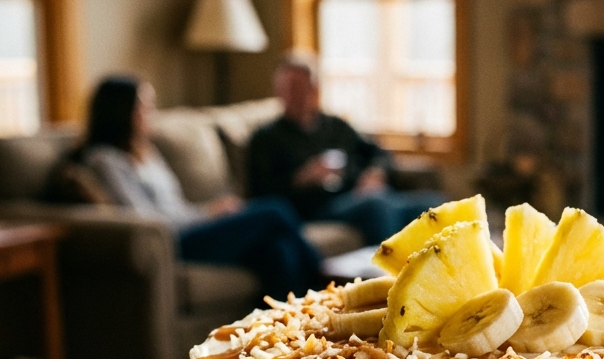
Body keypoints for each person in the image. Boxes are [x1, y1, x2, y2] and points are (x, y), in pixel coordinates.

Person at [80, 76, 322, 300]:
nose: (151, 112)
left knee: (279, 249)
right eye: (145, 106)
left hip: (190, 227)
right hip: (173, 242)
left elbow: (176, 206)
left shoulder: (148, 152)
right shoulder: (106, 161)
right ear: (123, 111)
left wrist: (209, 210)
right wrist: (207, 215)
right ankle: (326, 279)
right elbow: (145, 217)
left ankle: (293, 325)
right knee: (275, 211)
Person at [247, 53, 443, 244]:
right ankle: (388, 265)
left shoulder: (336, 126)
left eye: (299, 87)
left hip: (358, 193)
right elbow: (260, 195)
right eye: (287, 88)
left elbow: (379, 153)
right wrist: (302, 178)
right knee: (377, 206)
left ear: (314, 90)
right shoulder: (266, 137)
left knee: (433, 204)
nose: (293, 94)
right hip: (318, 207)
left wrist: (375, 173)